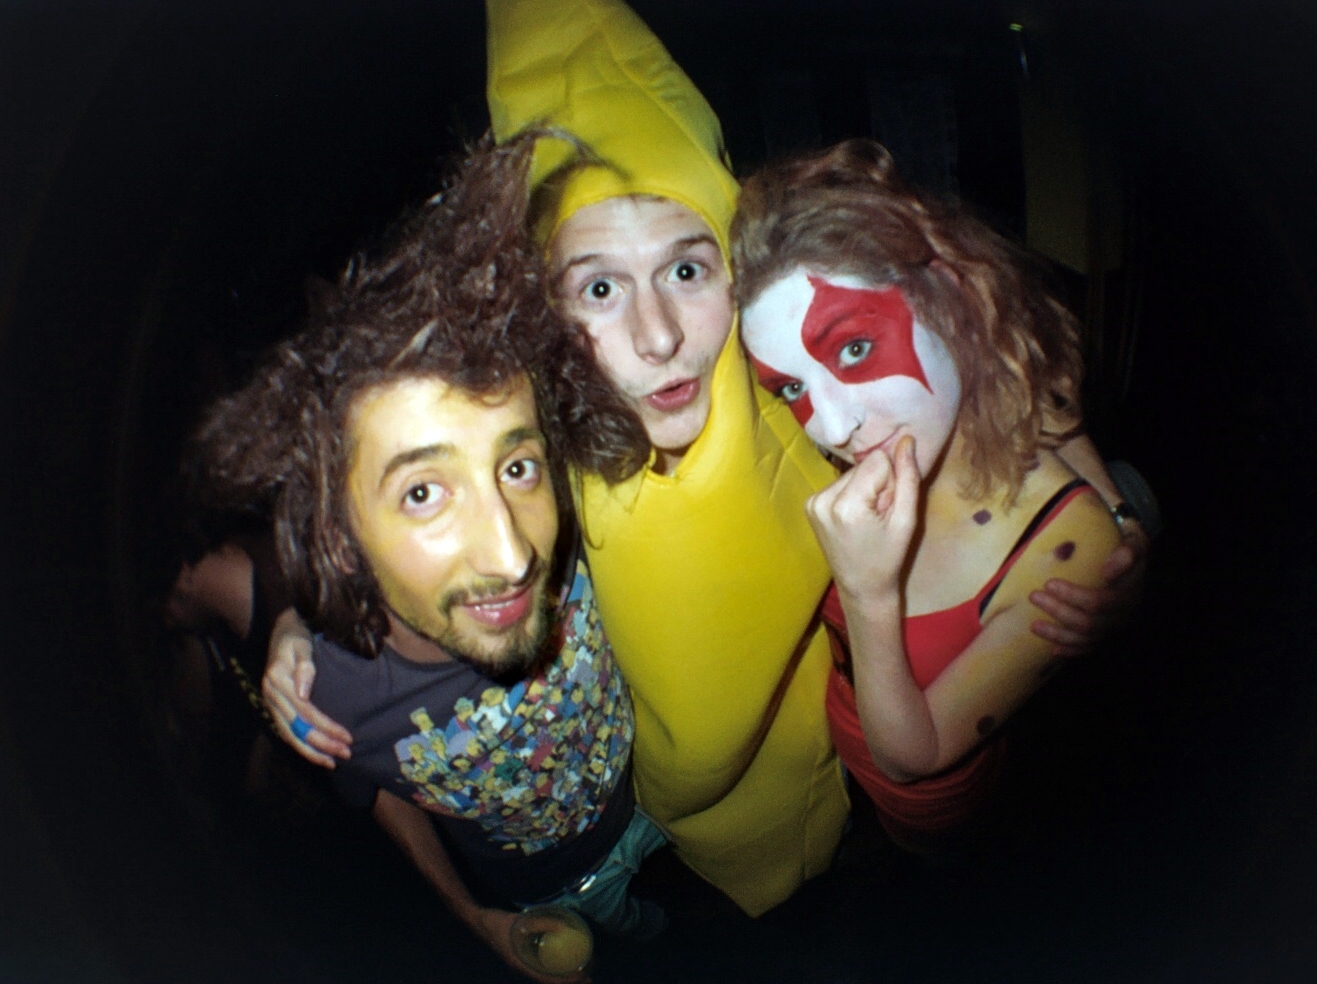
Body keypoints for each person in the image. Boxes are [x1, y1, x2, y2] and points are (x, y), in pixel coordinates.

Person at [264, 0, 1147, 914]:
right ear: (543, 311)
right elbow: (385, 492)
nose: (657, 337)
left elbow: (1011, 387)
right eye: (599, 288)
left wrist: (1120, 533)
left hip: (833, 793)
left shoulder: (798, 397)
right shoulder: (537, 441)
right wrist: (300, 625)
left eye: (687, 270)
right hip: (652, 832)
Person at [189, 132, 666, 981]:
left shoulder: (578, 517)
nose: (512, 554)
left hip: (666, 806)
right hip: (551, 897)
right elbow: (376, 786)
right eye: (422, 493)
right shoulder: (327, 690)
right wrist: (472, 918)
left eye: (515, 468)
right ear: (340, 531)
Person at [730, 138, 1143, 853]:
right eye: (793, 387)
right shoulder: (901, 425)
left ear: (955, 295)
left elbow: (909, 758)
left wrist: (868, 592)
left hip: (930, 803)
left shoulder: (1056, 535)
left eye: (854, 348)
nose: (832, 428)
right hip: (833, 750)